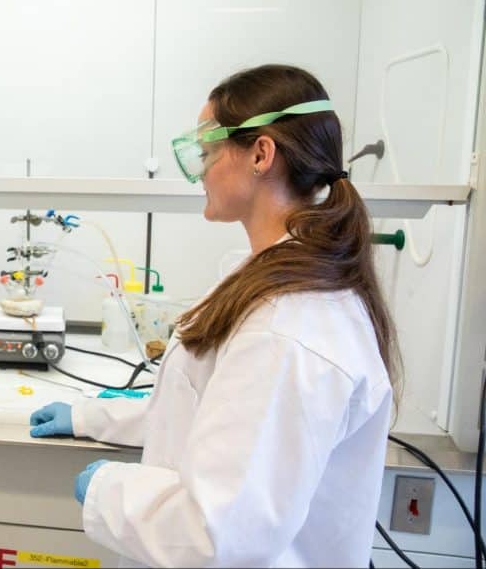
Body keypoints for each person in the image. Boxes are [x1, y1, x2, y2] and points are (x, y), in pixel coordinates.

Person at [30, 64, 398, 567]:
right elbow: (209, 410)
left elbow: (219, 534)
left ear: (261, 154)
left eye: (206, 152)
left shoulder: (287, 327)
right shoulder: (275, 284)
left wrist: (110, 490)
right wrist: (93, 416)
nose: (200, 170)